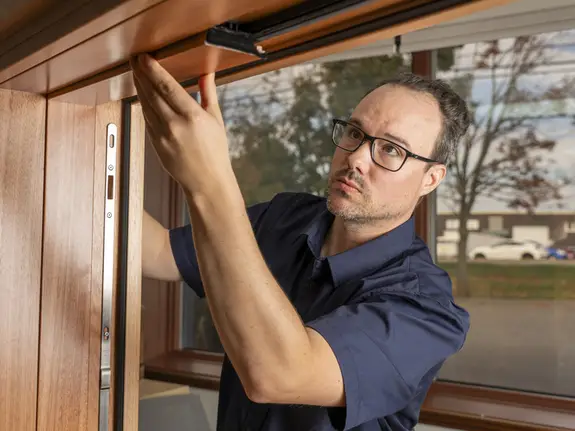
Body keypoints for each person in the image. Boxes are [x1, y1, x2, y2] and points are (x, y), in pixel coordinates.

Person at [131, 53, 471, 431]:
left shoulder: (426, 310)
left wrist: (210, 182)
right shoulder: (287, 216)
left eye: (391, 149)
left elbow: (276, 375)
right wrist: (87, 166)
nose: (357, 158)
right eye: (355, 133)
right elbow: (160, 252)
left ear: (431, 179)